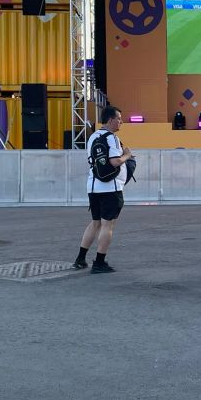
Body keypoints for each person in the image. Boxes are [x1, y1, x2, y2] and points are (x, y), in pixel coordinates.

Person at [74, 106, 133, 274]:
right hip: (111, 187)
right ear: (110, 120)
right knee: (108, 225)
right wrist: (127, 155)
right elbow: (115, 162)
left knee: (95, 223)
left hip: (93, 186)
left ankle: (80, 258)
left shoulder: (92, 137)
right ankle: (99, 262)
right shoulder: (112, 138)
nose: (121, 122)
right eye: (119, 118)